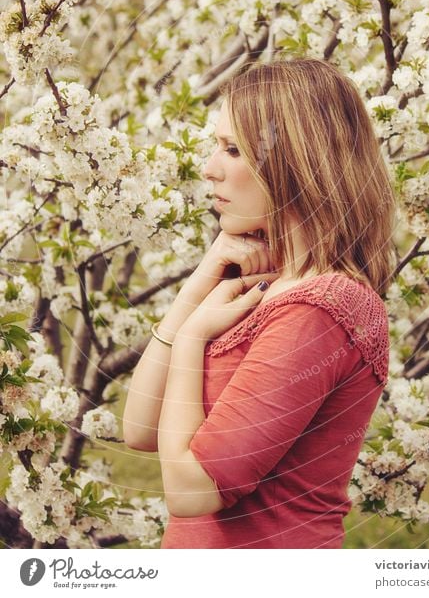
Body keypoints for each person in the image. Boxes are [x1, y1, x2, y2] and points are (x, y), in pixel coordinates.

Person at [123, 57, 396, 549]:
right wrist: (200, 282)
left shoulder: (322, 308)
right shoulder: (260, 288)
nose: (209, 170)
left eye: (232, 149)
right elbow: (139, 427)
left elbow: (191, 490)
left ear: (297, 161)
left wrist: (191, 339)